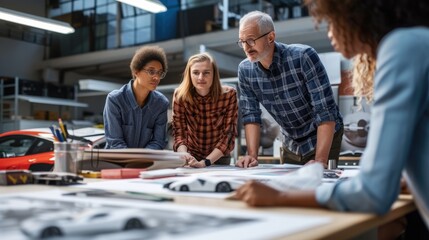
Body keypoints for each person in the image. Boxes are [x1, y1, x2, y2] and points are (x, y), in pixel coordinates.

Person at [234, 0, 429, 233]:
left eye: (331, 22)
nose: (329, 32)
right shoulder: (416, 43)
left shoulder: (401, 49)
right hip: (292, 140)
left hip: (320, 134)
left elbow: (374, 193)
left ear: (354, 17)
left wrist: (280, 196)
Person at [235, 10, 343, 168]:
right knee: (288, 188)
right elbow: (251, 115)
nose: (246, 47)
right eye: (242, 41)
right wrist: (252, 155)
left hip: (322, 138)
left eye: (251, 40)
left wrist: (320, 160)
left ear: (271, 37)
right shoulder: (245, 70)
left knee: (319, 185)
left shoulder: (303, 57)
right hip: (290, 141)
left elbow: (325, 110)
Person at [172, 52, 238, 168]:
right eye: (196, 73)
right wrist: (184, 155)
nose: (201, 77)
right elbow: (179, 132)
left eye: (206, 72)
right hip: (191, 157)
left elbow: (228, 135)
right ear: (189, 74)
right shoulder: (180, 95)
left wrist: (205, 162)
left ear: (214, 74)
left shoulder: (229, 95)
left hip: (219, 158)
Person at [103, 45, 169, 149]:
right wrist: (134, 161)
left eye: (159, 73)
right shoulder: (115, 100)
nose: (156, 77)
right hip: (116, 161)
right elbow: (115, 142)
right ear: (136, 71)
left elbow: (158, 141)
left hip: (145, 162)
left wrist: (141, 160)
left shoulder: (161, 104)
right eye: (151, 71)